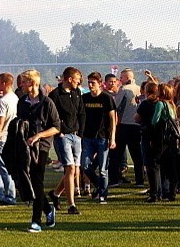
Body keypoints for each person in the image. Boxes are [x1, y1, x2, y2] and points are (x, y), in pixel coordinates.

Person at [16, 70, 60, 233]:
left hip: (41, 147)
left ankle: (36, 221)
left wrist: (38, 136)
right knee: (29, 182)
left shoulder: (47, 103)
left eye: (24, 82)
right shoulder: (22, 102)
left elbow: (56, 127)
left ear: (32, 83)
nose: (21, 85)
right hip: (25, 146)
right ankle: (48, 209)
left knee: (37, 180)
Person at [48, 67, 85, 215]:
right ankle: (71, 205)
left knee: (75, 171)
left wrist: (81, 133)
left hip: (76, 136)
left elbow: (81, 112)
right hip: (63, 137)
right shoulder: (55, 95)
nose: (79, 82)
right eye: (77, 79)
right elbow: (52, 116)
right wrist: (61, 131)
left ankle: (55, 194)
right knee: (69, 168)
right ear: (69, 79)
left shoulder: (77, 93)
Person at [81, 72, 116, 204]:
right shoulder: (84, 98)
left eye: (93, 83)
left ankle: (103, 194)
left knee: (102, 169)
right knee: (85, 166)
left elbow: (113, 119)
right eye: (89, 82)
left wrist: (112, 138)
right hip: (87, 137)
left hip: (102, 137)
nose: (90, 85)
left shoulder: (106, 98)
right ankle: (99, 185)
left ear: (100, 84)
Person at [109, 68, 145, 188]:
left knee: (116, 155)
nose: (120, 80)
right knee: (137, 155)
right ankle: (140, 180)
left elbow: (115, 106)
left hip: (124, 125)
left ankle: (114, 179)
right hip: (136, 126)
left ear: (127, 78)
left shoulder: (124, 89)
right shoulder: (139, 88)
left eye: (122, 77)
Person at [0, 72, 18, 205]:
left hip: (1, 137)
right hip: (10, 136)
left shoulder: (2, 101)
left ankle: (10, 195)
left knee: (3, 167)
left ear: (4, 83)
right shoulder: (15, 98)